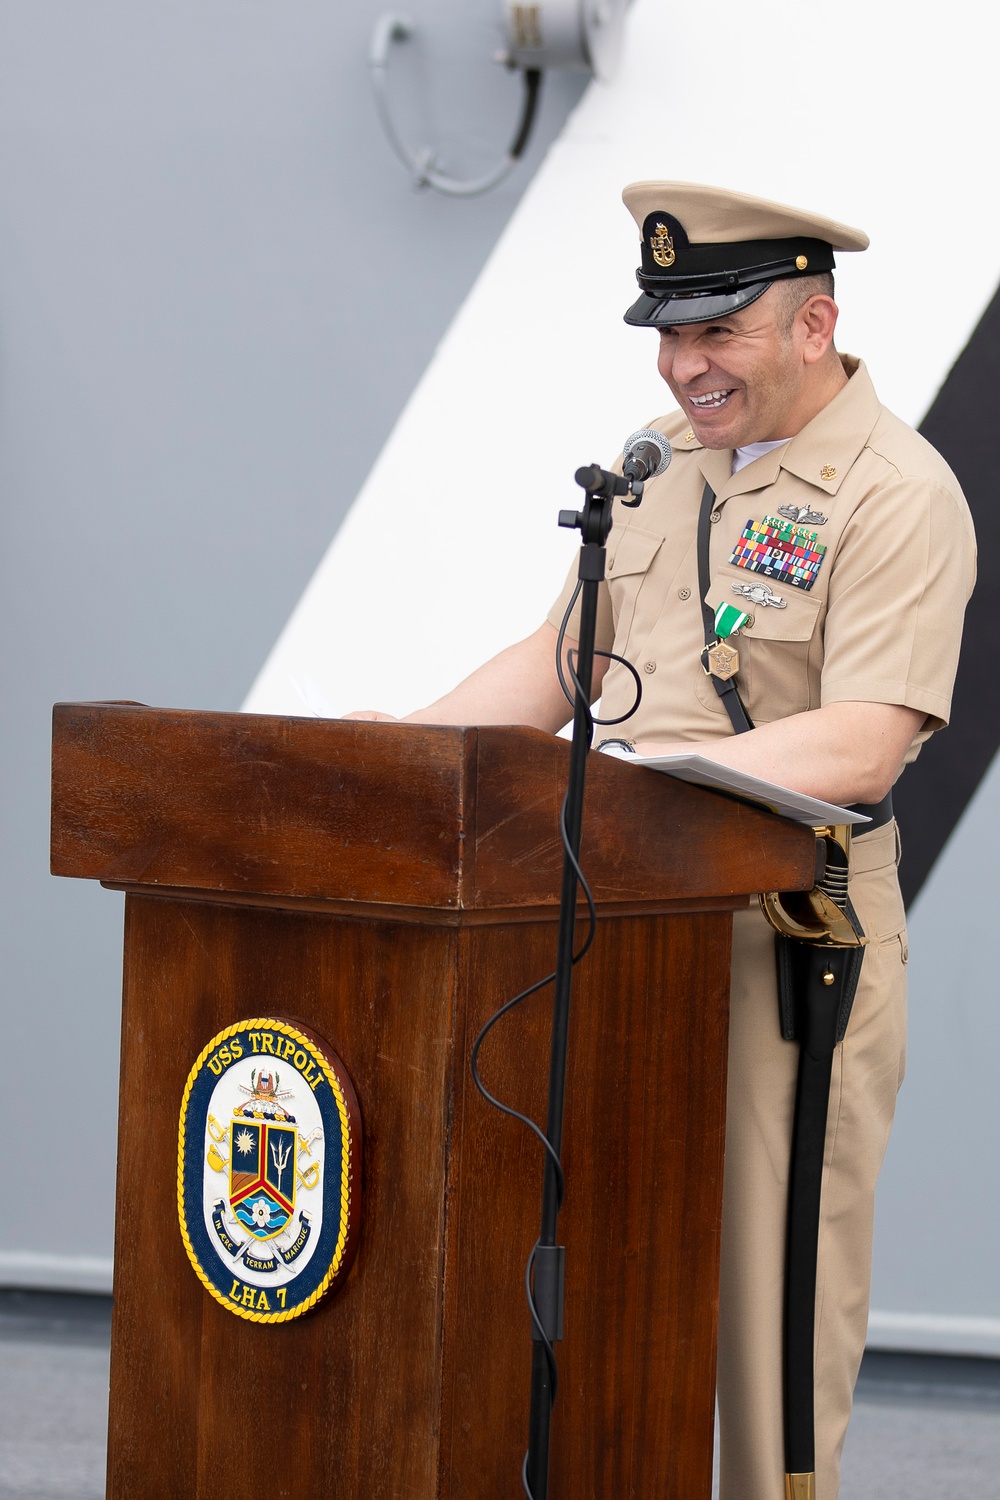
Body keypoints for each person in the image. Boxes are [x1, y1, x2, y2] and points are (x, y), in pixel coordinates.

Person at [348, 181, 976, 1499]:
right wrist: (398, 755)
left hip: (785, 943)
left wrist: (642, 787)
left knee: (768, 1303)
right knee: (598, 1255)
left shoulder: (898, 491)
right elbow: (565, 661)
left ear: (816, 324)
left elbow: (865, 739)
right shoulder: (652, 460)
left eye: (720, 334)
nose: (685, 367)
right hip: (615, 922)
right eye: (669, 336)